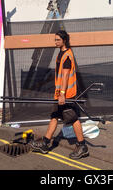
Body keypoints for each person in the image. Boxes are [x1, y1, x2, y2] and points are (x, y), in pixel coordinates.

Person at [30, 30, 89, 160]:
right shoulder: (60, 53)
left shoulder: (67, 55)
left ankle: (82, 146)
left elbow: (66, 76)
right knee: (55, 116)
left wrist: (62, 94)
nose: (55, 42)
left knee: (73, 119)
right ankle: (45, 143)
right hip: (60, 94)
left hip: (66, 94)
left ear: (64, 40)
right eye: (55, 39)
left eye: (58, 40)